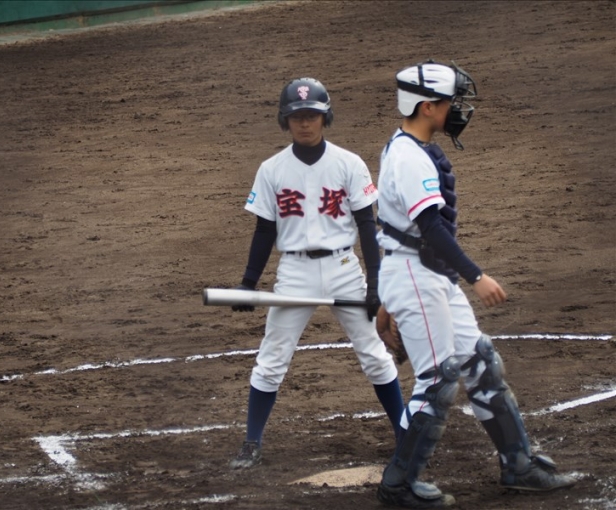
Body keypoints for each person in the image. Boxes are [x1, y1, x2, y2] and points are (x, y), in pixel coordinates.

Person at [374, 61, 576, 508]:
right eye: (450, 102)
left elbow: (403, 229)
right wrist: (477, 277)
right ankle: (398, 484)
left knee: (480, 363)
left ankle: (518, 465)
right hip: (417, 272)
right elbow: (430, 227)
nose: (457, 110)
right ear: (427, 107)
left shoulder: (412, 148)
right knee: (438, 380)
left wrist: (391, 299)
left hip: (425, 273)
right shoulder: (408, 157)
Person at [228, 77, 405, 469]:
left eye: (312, 116)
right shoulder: (272, 169)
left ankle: (404, 434)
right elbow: (264, 230)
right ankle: (252, 442)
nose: (305, 123)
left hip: (344, 269)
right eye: (297, 117)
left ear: (325, 118)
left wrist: (375, 284)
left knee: (375, 354)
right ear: (285, 121)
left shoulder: (348, 163)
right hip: (295, 273)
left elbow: (366, 225)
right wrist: (248, 283)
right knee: (272, 358)